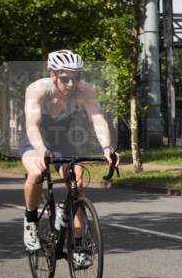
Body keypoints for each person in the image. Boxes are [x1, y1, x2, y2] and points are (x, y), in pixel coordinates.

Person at [20, 50, 118, 261]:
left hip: (62, 139)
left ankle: (79, 243)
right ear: (53, 74)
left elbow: (97, 119)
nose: (71, 84)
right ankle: (30, 220)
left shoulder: (85, 91)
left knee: (77, 181)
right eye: (65, 78)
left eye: (76, 77)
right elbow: (32, 124)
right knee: (36, 171)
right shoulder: (37, 90)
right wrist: (41, 152)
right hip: (35, 136)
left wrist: (107, 148)